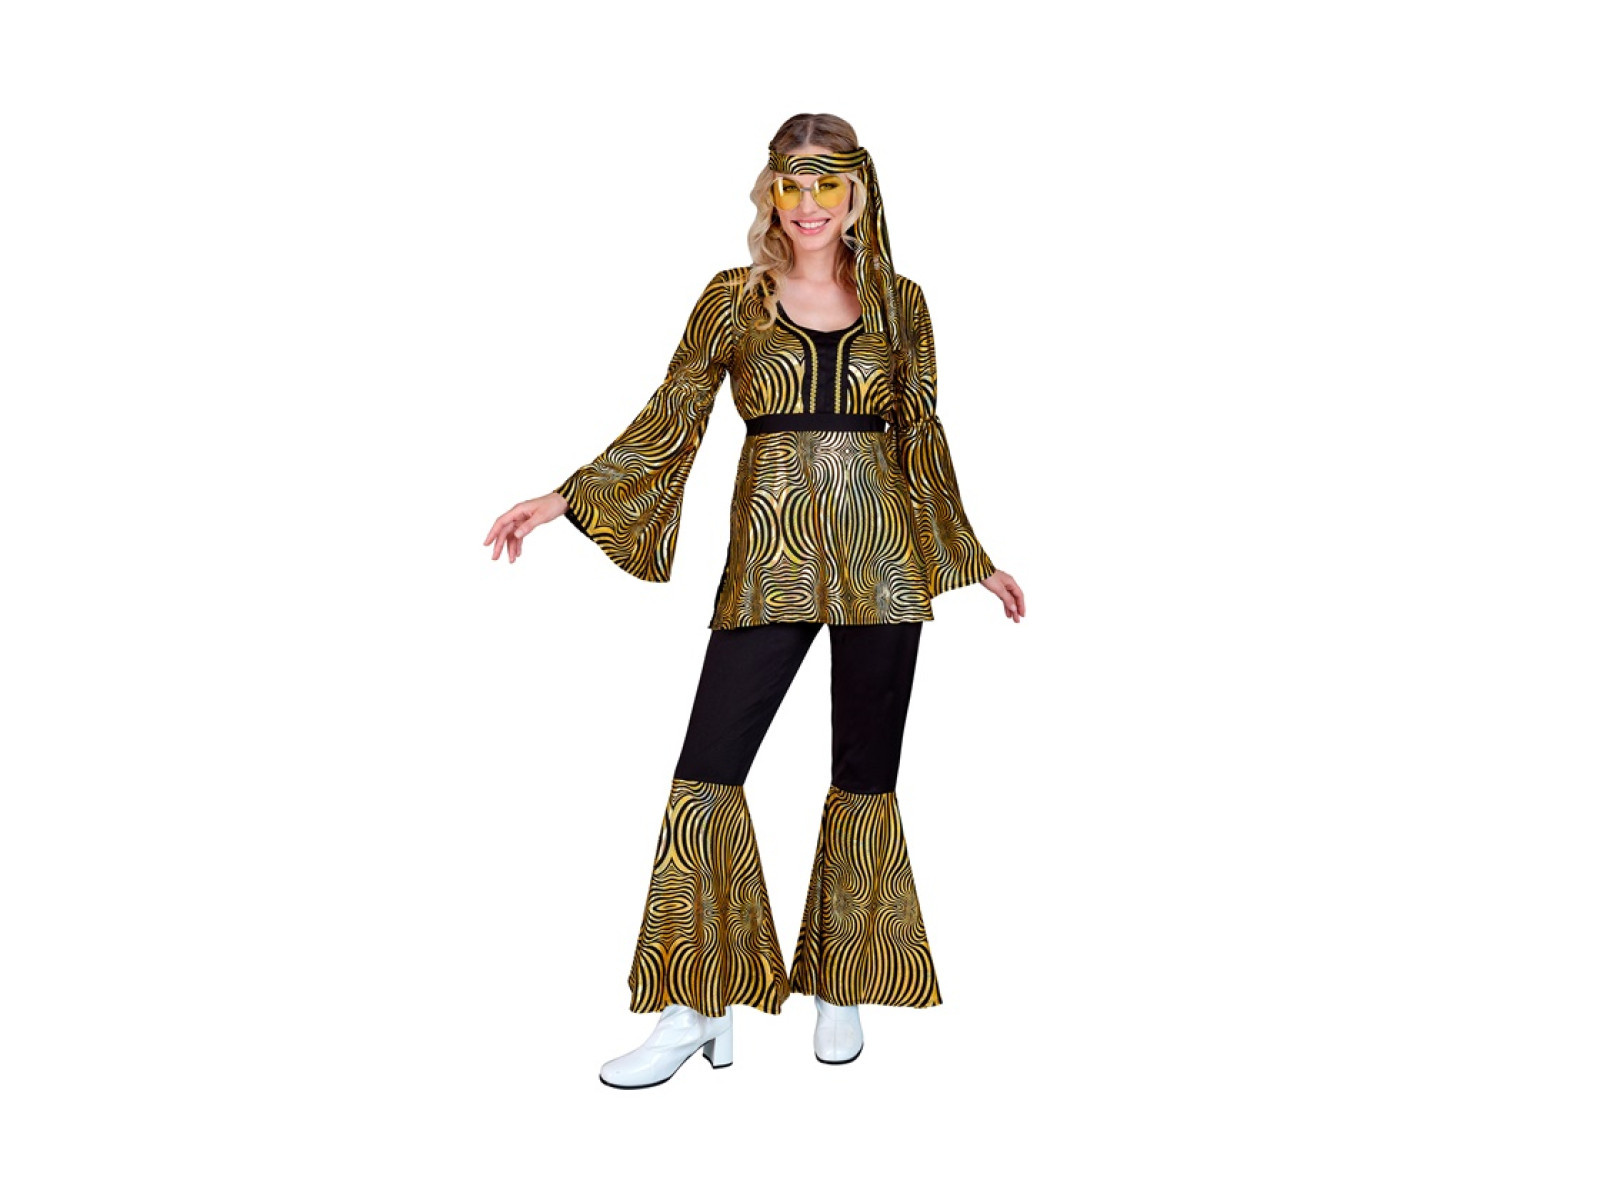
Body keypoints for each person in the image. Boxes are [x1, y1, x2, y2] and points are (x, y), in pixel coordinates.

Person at [484, 113, 1025, 1088]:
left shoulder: (901, 302)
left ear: (857, 194)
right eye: (791, 185)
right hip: (771, 555)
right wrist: (566, 498)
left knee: (866, 773)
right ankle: (695, 1006)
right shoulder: (733, 298)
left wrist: (967, 557)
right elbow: (674, 411)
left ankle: (844, 978)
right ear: (770, 193)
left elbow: (921, 434)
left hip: (883, 559)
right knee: (709, 768)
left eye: (827, 185)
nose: (808, 205)